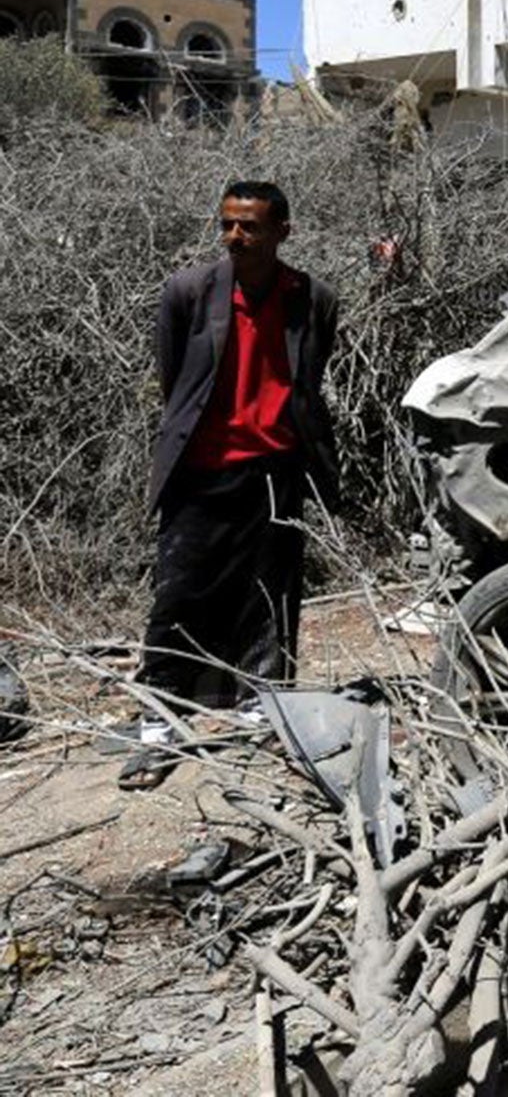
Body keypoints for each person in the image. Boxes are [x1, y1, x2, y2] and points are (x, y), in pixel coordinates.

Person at [122, 181, 339, 787]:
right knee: (179, 595)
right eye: (228, 225)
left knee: (269, 599)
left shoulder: (313, 298)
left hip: (275, 470)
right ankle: (159, 723)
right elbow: (177, 383)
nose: (236, 237)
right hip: (203, 470)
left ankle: (258, 715)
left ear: (282, 232)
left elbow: (308, 380)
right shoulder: (190, 292)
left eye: (250, 227)